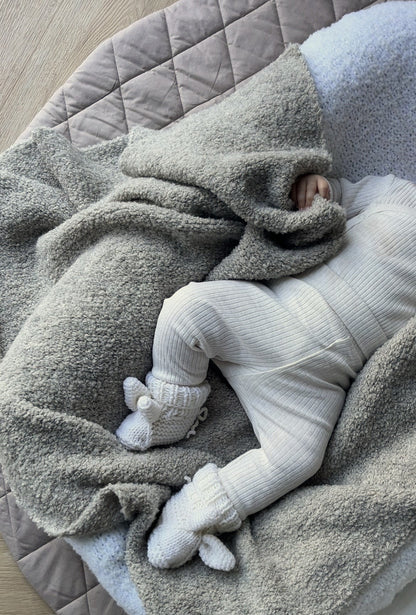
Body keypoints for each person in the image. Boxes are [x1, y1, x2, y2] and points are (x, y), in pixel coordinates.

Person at [116, 172, 416, 571]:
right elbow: (331, 201)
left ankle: (198, 512)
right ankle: (172, 406)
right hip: (272, 314)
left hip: (320, 380)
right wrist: (314, 188)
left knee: (300, 457)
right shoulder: (398, 196)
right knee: (187, 311)